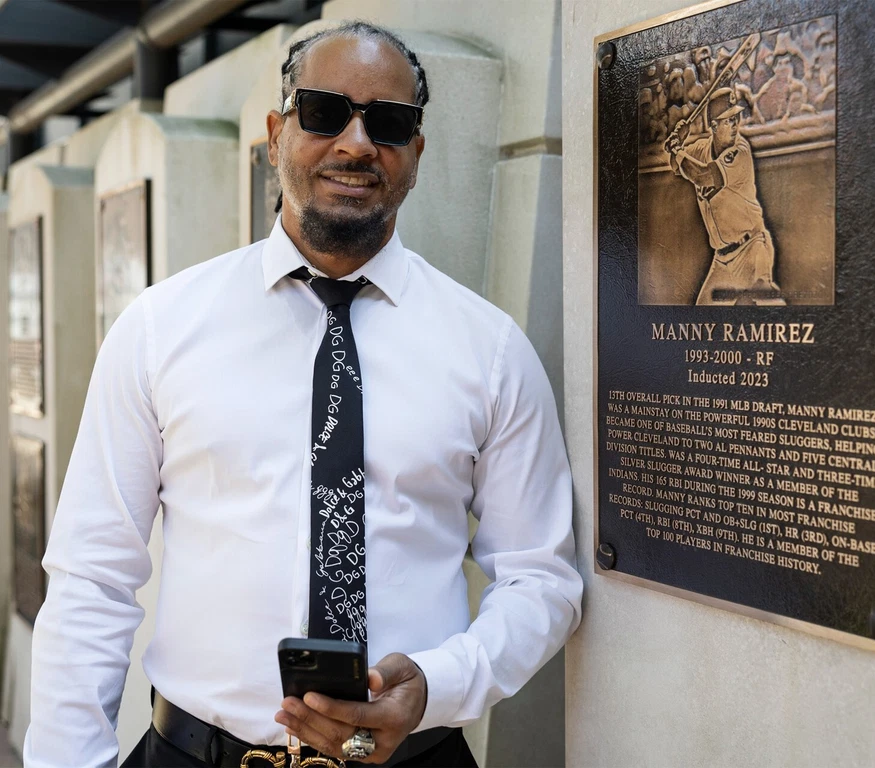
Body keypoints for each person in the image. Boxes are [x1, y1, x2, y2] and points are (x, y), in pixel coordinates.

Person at [24, 21, 582, 768]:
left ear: (416, 153)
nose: (356, 144)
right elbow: (93, 575)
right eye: (325, 112)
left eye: (388, 124)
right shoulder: (161, 329)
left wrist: (443, 683)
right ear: (278, 131)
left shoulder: (491, 352)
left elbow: (541, 578)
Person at [665, 88, 785, 306]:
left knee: (768, 305)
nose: (735, 125)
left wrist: (678, 151)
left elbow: (702, 177)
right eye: (727, 120)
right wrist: (677, 144)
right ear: (713, 126)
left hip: (751, 248)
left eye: (736, 118)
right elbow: (675, 166)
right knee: (702, 318)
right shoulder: (701, 148)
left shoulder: (740, 151)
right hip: (722, 260)